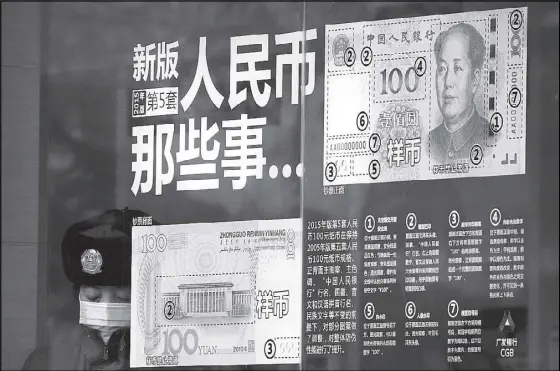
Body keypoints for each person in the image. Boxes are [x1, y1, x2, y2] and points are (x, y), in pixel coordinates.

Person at [23, 208, 155, 370]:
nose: (106, 314)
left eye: (123, 298)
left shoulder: (165, 361)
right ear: (77, 297)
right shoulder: (45, 363)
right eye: (93, 297)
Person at [428, 22, 494, 164]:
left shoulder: (492, 139)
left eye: (457, 68)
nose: (447, 82)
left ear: (475, 80)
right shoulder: (427, 143)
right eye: (442, 69)